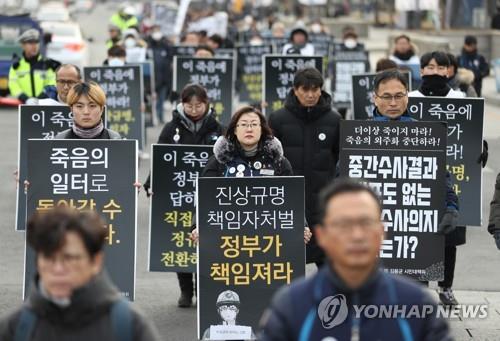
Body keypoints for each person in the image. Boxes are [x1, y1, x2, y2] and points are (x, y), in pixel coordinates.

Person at [259, 179, 452, 340]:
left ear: (382, 233)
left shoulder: (417, 304)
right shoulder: (292, 305)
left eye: (366, 223)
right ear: (322, 235)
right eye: (343, 224)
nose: (357, 235)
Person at [0, 207, 161, 340]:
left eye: (69, 258)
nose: (58, 269)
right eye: (48, 258)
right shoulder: (14, 328)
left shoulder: (131, 327)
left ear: (95, 261)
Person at [377, 69, 462, 306]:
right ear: (375, 98)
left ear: (407, 97)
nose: (393, 102)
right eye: (386, 96)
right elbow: (342, 177)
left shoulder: (424, 133)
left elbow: (441, 175)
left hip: (415, 238)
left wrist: (451, 205)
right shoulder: (359, 134)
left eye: (398, 95)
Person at [143, 84, 224, 308]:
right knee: (181, 244)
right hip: (178, 195)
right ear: (182, 104)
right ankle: (186, 291)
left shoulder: (219, 128)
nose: (194, 109)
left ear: (206, 104)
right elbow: (160, 159)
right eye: (189, 105)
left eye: (199, 105)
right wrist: (151, 184)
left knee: (206, 241)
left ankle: (203, 289)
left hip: (208, 195)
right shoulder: (171, 128)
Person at [268, 67, 341, 267]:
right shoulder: (278, 119)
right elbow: (269, 159)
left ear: (321, 90)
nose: (310, 95)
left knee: (327, 259)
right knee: (287, 259)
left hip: (323, 202)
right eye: (305, 89)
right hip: (288, 200)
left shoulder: (334, 120)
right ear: (295, 89)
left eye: (315, 89)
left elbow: (341, 158)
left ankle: (327, 299)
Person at [8, 29, 60, 104]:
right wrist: (26, 99)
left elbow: (52, 82)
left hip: (45, 104)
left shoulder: (47, 64)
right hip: (24, 105)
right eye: (30, 43)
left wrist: (41, 98)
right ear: (22, 45)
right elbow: (13, 85)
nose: (34, 46)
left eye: (36, 42)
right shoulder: (17, 66)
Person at [55, 82, 121, 140]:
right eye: (79, 106)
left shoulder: (114, 138)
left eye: (92, 106)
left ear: (101, 109)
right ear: (71, 109)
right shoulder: (60, 139)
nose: (86, 112)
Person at [146, 26, 173, 124]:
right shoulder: (148, 46)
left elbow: (171, 59)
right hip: (152, 79)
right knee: (152, 100)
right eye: (154, 31)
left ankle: (160, 116)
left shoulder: (166, 46)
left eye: (158, 31)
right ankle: (152, 117)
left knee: (161, 99)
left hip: (164, 78)